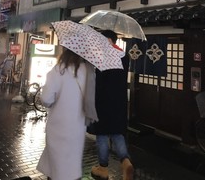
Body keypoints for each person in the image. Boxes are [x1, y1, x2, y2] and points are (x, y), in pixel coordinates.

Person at [37, 48, 88, 180]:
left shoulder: (58, 70)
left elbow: (46, 99)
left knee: (57, 166)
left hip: (59, 127)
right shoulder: (87, 72)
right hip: (78, 127)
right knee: (72, 165)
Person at [91, 30, 134, 180]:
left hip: (103, 103)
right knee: (117, 133)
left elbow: (99, 84)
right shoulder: (124, 56)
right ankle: (126, 161)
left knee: (102, 135)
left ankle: (103, 168)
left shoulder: (104, 57)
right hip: (119, 101)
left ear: (108, 40)